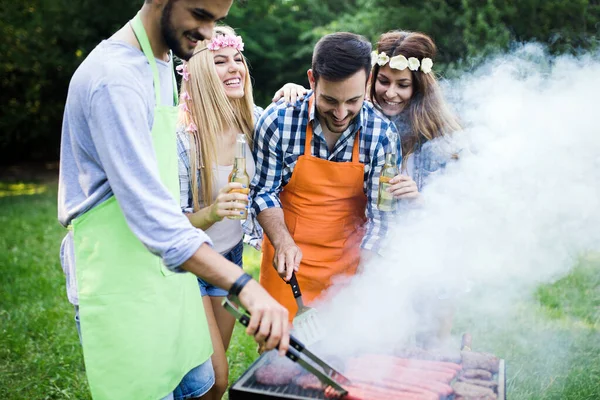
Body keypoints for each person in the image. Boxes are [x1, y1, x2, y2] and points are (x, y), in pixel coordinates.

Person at [57, 1, 289, 399]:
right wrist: (246, 287)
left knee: (202, 387)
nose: (209, 31)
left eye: (216, 19)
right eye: (201, 14)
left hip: (169, 279)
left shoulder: (161, 61)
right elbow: (152, 216)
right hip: (123, 281)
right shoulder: (114, 79)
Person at [175, 25, 305, 399]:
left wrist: (295, 94)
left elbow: (306, 118)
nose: (235, 68)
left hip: (229, 260)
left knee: (215, 387)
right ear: (197, 72)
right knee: (212, 378)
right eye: (220, 61)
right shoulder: (183, 139)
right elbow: (169, 225)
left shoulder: (256, 124)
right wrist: (213, 212)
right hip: (190, 264)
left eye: (238, 59)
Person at [251, 32, 398, 320]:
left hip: (349, 266)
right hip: (287, 261)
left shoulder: (382, 136)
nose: (341, 113)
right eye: (330, 100)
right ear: (312, 80)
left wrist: (363, 281)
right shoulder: (277, 121)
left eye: (353, 101)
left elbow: (382, 217)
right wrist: (282, 241)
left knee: (345, 358)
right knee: (277, 359)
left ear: (368, 83)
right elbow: (264, 191)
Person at [369, 30, 462, 347]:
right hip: (375, 255)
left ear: (419, 87)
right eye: (383, 81)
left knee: (427, 348)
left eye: (402, 84)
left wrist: (421, 199)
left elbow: (464, 208)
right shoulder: (361, 117)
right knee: (380, 347)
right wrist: (294, 90)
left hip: (429, 256)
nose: (390, 92)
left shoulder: (442, 135)